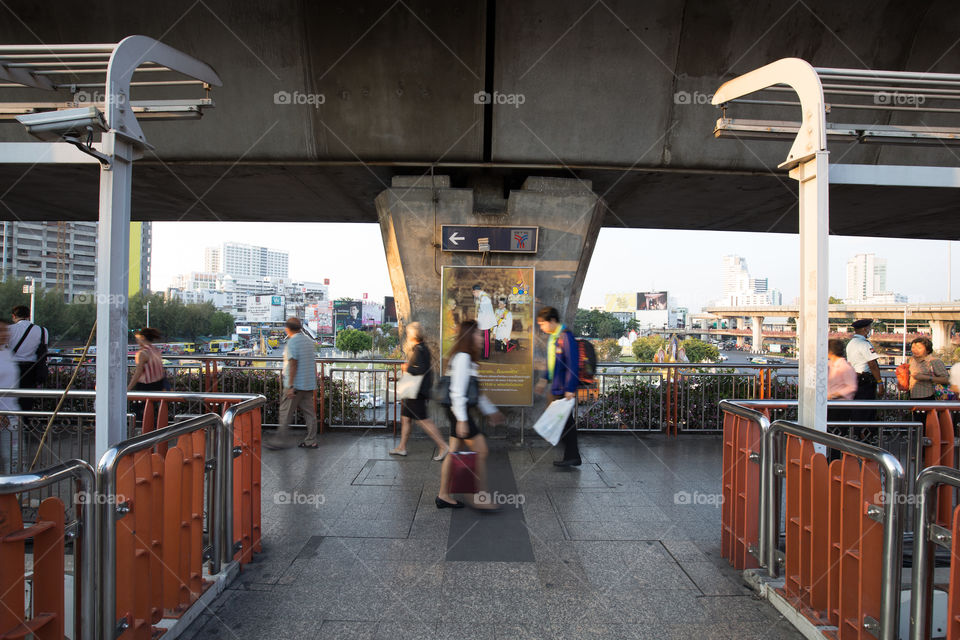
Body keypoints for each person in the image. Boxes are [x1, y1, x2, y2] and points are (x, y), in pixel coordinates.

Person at [436, 320, 505, 509]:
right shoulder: (463, 358)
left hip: (458, 412)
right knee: (481, 450)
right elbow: (457, 391)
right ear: (468, 337)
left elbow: (475, 393)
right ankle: (477, 497)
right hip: (460, 412)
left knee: (453, 453)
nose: (481, 338)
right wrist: (462, 420)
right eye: (477, 334)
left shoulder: (466, 358)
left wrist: (491, 411)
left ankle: (443, 495)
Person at [390, 322, 449, 460]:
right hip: (415, 391)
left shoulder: (420, 350)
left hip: (416, 392)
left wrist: (407, 369)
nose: (407, 335)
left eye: (409, 333)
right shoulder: (421, 348)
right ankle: (402, 447)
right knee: (405, 419)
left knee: (423, 421)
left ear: (414, 335)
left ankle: (443, 446)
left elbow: (421, 370)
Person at [535, 306, 581, 467]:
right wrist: (543, 380)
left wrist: (570, 388)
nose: (541, 327)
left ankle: (572, 455)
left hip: (563, 388)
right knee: (564, 422)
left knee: (565, 423)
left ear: (552, 321)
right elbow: (550, 362)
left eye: (542, 324)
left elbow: (573, 364)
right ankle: (571, 455)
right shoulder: (553, 337)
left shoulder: (565, 337)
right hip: (556, 386)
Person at [266, 317, 318, 449]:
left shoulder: (292, 342)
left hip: (295, 386)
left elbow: (293, 364)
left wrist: (290, 386)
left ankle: (279, 441)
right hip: (308, 384)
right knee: (310, 414)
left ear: (287, 329)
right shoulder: (308, 341)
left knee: (285, 413)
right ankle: (311, 440)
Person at [8, 305, 47, 411]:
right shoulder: (42, 330)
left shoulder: (8, 330)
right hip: (32, 369)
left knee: (10, 398)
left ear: (13, 316)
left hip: (12, 368)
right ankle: (25, 423)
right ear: (29, 316)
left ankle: (10, 423)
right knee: (27, 398)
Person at [845, 319, 883, 422]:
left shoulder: (851, 343)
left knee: (857, 408)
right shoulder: (864, 344)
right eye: (869, 328)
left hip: (855, 378)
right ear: (864, 329)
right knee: (866, 410)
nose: (870, 330)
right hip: (865, 381)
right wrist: (880, 382)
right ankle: (864, 433)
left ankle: (857, 432)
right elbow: (872, 365)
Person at [0, 321, 21, 473]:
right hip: (3, 414)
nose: (5, 334)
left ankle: (19, 496)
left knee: (15, 459)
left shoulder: (7, 352)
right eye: (1, 331)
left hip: (12, 414)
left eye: (6, 330)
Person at [826, 338, 857, 431]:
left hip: (841, 405)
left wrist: (835, 395)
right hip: (831, 403)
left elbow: (852, 387)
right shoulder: (831, 364)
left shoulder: (845, 367)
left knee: (837, 431)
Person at [907, 336, 949, 400]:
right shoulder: (912, 360)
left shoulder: (934, 361)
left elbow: (947, 380)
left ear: (927, 350)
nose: (915, 350)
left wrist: (925, 377)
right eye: (913, 347)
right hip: (912, 396)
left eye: (919, 348)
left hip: (928, 397)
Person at [472, 285, 496, 359]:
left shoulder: (484, 298)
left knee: (486, 340)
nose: (473, 294)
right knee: (482, 339)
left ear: (477, 291)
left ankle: (485, 355)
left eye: (474, 292)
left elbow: (485, 311)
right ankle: (482, 354)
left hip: (486, 323)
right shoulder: (481, 297)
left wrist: (478, 319)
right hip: (482, 322)